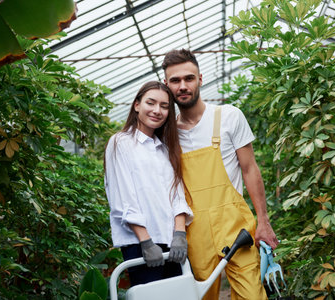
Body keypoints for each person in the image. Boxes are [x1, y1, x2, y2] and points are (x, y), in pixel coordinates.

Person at [162, 49, 279, 300]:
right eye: (175, 81)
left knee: (252, 295)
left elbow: (249, 169)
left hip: (236, 228)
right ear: (166, 85)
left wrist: (263, 221)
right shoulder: (166, 132)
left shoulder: (228, 116)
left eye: (189, 78)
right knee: (201, 296)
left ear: (200, 79)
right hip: (195, 234)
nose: (183, 86)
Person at [104, 81, 193, 286]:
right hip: (141, 244)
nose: (157, 111)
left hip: (172, 243)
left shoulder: (165, 149)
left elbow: (177, 193)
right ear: (137, 105)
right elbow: (123, 198)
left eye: (164, 106)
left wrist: (179, 233)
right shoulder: (121, 143)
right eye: (150, 103)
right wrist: (145, 240)